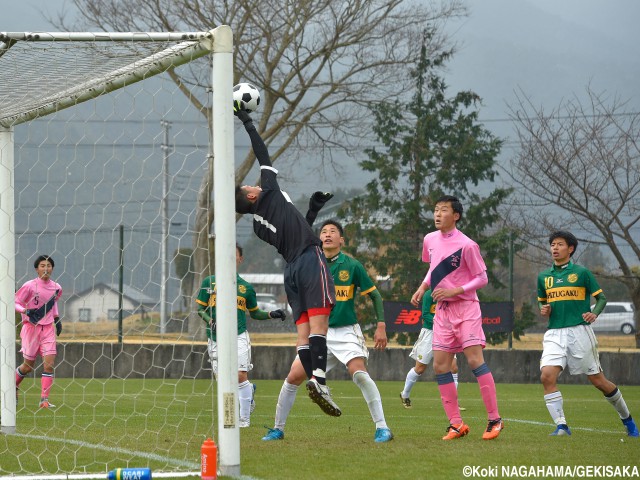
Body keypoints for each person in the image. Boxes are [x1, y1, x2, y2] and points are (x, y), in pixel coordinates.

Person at [233, 104, 340, 416]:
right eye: (250, 186)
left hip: (290, 271)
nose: (254, 184)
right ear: (252, 195)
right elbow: (262, 152)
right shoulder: (269, 191)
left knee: (304, 334)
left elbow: (294, 229)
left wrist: (312, 212)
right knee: (321, 326)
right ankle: (319, 379)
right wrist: (247, 121)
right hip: (309, 261)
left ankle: (316, 378)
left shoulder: (257, 226)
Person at [262, 218, 394, 443]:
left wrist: (381, 325)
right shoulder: (310, 265)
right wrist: (302, 336)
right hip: (317, 334)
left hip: (345, 331)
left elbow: (375, 294)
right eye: (323, 231)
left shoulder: (352, 265)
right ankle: (277, 429)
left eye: (333, 231)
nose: (328, 234)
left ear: (341, 239)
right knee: (293, 377)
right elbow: (299, 302)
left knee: (359, 373)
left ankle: (383, 428)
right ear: (318, 238)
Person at [411, 195, 503, 441]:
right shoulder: (430, 239)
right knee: (440, 366)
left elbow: (482, 278)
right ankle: (456, 424)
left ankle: (494, 419)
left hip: (466, 308)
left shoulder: (468, 245)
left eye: (443, 210)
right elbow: (434, 267)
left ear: (456, 215)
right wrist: (423, 287)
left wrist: (456, 290)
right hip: (442, 311)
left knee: (474, 361)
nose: (437, 214)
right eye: (435, 210)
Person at [537, 230, 638, 437]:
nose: (555, 248)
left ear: (570, 249)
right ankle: (562, 426)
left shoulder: (582, 273)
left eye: (560, 244)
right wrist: (544, 310)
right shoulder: (544, 277)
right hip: (555, 333)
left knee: (598, 381)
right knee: (547, 376)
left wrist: (594, 313)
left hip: (580, 332)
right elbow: (543, 303)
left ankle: (628, 420)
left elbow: (601, 298)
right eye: (552, 244)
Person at [196, 244, 287, 428]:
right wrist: (209, 320)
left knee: (239, 375)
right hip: (215, 338)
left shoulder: (246, 288)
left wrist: (271, 314)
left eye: (233, 255)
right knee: (223, 380)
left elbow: (254, 313)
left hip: (238, 335)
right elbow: (200, 309)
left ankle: (244, 420)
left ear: (240, 259)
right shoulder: (209, 282)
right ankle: (248, 393)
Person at [400, 289, 464, 410]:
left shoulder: (450, 293)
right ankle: (405, 394)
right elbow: (425, 315)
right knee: (420, 368)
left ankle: (453, 401)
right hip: (430, 333)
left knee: (453, 367)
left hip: (445, 334)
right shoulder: (429, 294)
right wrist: (440, 323)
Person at [15, 255, 63, 409]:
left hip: (48, 329)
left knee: (49, 364)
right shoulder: (29, 286)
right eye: (42, 265)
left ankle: (44, 400)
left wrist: (56, 319)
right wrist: (25, 311)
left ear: (52, 268)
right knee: (27, 367)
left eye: (48, 265)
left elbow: (53, 303)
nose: (46, 268)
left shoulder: (57, 287)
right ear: (37, 269)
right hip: (31, 329)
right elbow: (15, 302)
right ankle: (12, 387)